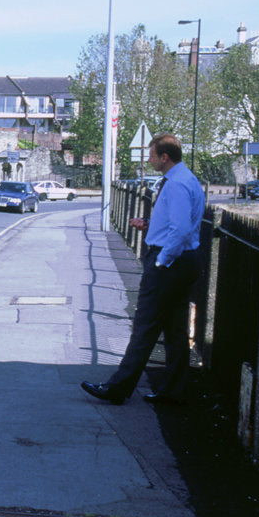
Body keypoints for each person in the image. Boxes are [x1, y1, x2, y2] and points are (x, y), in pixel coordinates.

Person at [82, 133, 205, 406]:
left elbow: (181, 229)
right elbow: (182, 223)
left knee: (145, 326)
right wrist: (151, 225)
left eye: (151, 155)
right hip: (186, 261)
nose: (148, 160)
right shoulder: (187, 180)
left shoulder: (175, 185)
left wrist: (162, 260)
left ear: (165, 157)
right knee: (175, 330)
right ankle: (173, 391)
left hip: (170, 263)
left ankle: (117, 388)